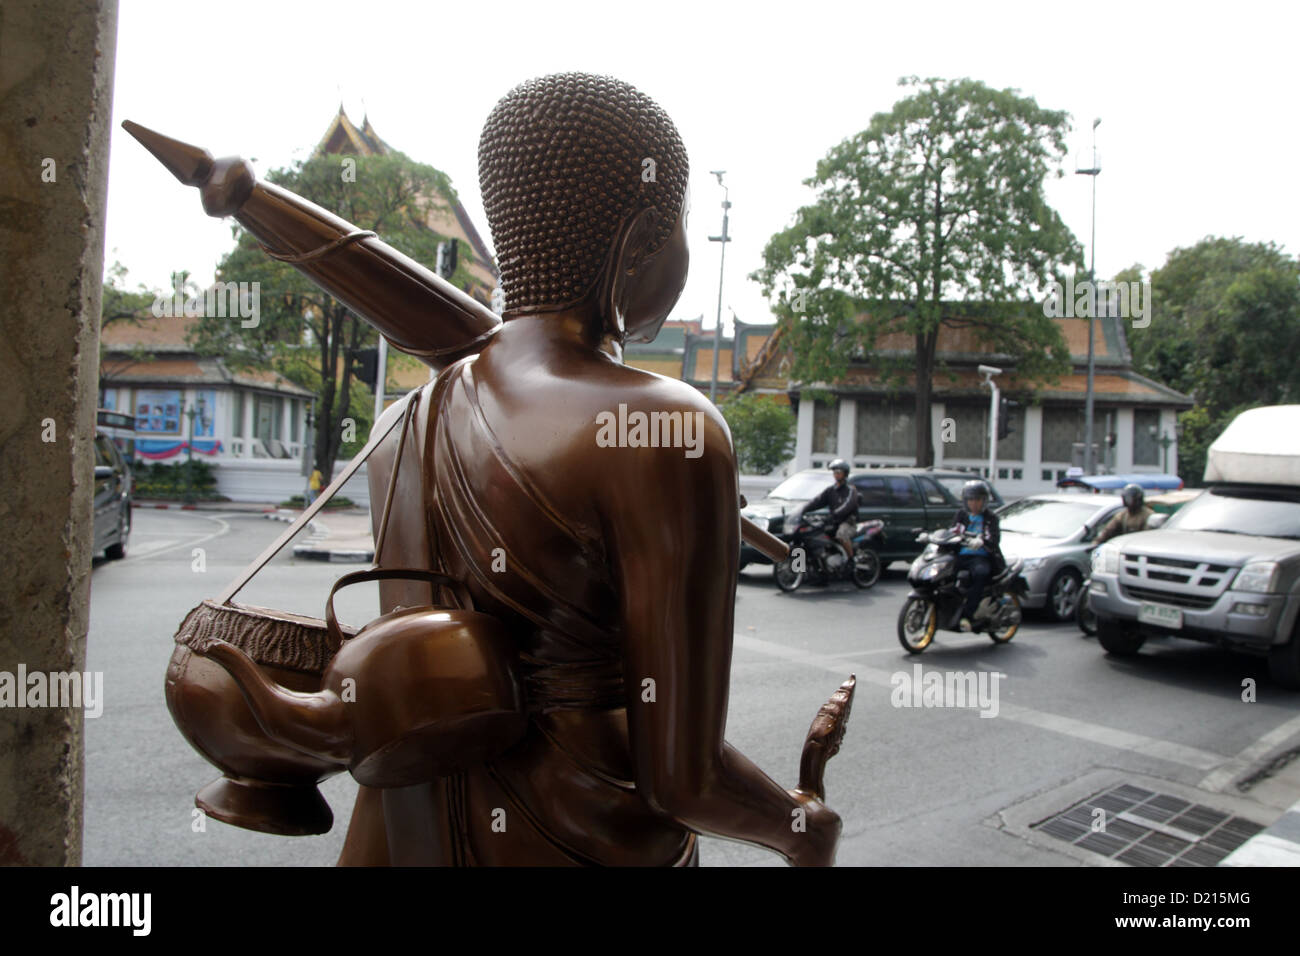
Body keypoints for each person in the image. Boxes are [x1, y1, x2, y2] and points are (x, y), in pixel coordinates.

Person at [336, 73, 847, 867]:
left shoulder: (401, 422)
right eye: (675, 226)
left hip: (416, 841)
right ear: (642, 238)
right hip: (584, 844)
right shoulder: (668, 429)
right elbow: (684, 779)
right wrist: (800, 826)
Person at [950, 479, 1003, 632]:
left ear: (984, 500)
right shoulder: (961, 515)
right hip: (960, 555)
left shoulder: (990, 518)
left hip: (981, 557)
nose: (974, 503)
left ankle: (968, 614)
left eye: (978, 499)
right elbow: (953, 531)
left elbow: (994, 539)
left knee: (980, 574)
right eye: (971, 499)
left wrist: (981, 541)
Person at [795, 459, 861, 564]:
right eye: (835, 472)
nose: (836, 475)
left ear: (845, 474)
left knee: (841, 535)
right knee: (815, 533)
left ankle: (851, 560)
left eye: (839, 472)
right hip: (833, 522)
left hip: (848, 521)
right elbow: (817, 501)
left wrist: (834, 514)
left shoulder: (851, 490)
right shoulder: (830, 490)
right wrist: (803, 509)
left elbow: (848, 505)